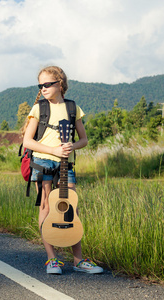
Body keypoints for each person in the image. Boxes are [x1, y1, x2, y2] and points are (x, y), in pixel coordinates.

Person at [22, 66, 103, 275]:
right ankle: (52, 259)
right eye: (40, 85)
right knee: (46, 208)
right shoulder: (39, 108)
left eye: (47, 84)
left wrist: (71, 146)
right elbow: (27, 141)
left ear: (60, 83)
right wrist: (53, 149)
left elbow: (84, 139)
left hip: (67, 164)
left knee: (71, 209)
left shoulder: (73, 108)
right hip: (43, 162)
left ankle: (78, 260)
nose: (43, 88)